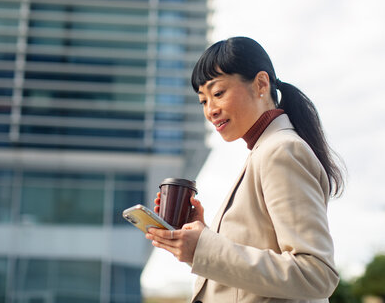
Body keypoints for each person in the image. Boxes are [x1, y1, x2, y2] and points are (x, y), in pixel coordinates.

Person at [146, 36, 345, 303]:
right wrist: (202, 234)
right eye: (203, 101)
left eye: (217, 94)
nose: (211, 110)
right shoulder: (265, 152)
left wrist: (203, 249)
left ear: (261, 84)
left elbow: (315, 274)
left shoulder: (281, 151)